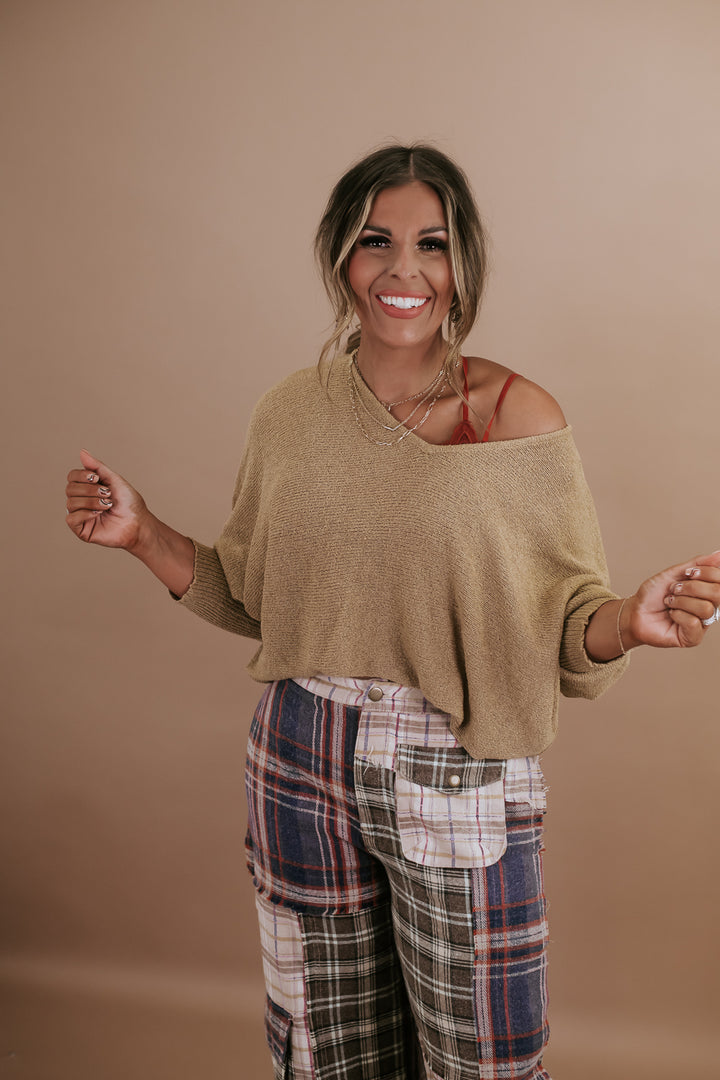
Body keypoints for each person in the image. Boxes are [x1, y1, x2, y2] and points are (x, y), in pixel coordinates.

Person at [65, 144, 720, 1080]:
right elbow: (252, 597)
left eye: (432, 244)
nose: (403, 270)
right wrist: (141, 534)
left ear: (463, 264)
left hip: (454, 763)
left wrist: (630, 621)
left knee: (483, 1063)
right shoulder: (290, 412)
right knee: (325, 1057)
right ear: (341, 255)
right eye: (376, 241)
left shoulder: (519, 415)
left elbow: (567, 616)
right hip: (298, 749)